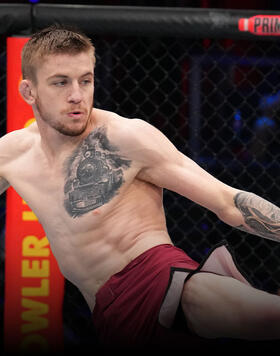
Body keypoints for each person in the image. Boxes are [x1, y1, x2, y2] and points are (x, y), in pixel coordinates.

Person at [0, 24, 280, 351]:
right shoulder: (12, 154)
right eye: (60, 82)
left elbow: (227, 202)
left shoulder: (125, 138)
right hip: (110, 316)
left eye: (86, 80)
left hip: (158, 280)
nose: (76, 95)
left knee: (251, 313)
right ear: (28, 92)